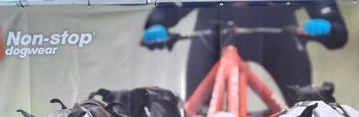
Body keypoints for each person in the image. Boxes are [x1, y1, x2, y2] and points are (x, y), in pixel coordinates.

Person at [142, 1, 348, 105]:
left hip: (279, 39)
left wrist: (329, 27)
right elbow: (170, 7)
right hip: (213, 38)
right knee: (193, 113)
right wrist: (156, 23)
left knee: (307, 106)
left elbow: (338, 31)